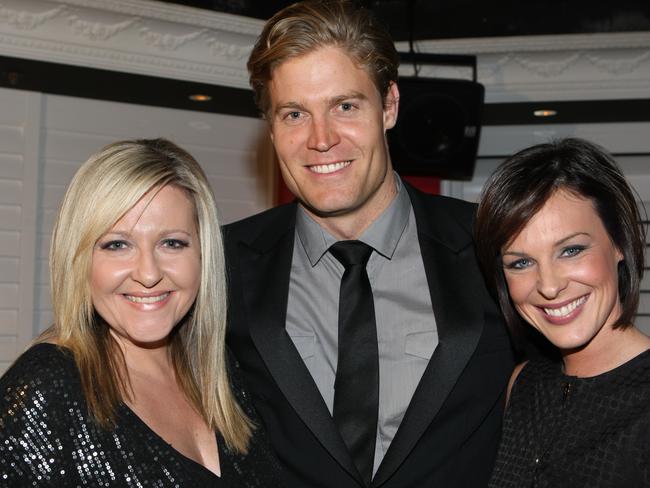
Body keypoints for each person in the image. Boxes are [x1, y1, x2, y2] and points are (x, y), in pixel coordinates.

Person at [224, 1, 515, 487]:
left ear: (390, 106)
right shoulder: (223, 262)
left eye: (345, 106)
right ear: (271, 129)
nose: (321, 139)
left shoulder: (493, 245)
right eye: (294, 114)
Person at [0, 138, 284, 487]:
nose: (148, 273)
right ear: (79, 259)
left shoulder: (221, 372)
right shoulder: (47, 388)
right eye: (117, 244)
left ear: (202, 255)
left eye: (172, 243)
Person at [475, 138, 650, 487]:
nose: (549, 286)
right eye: (521, 262)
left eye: (570, 250)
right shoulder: (524, 384)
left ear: (619, 244)